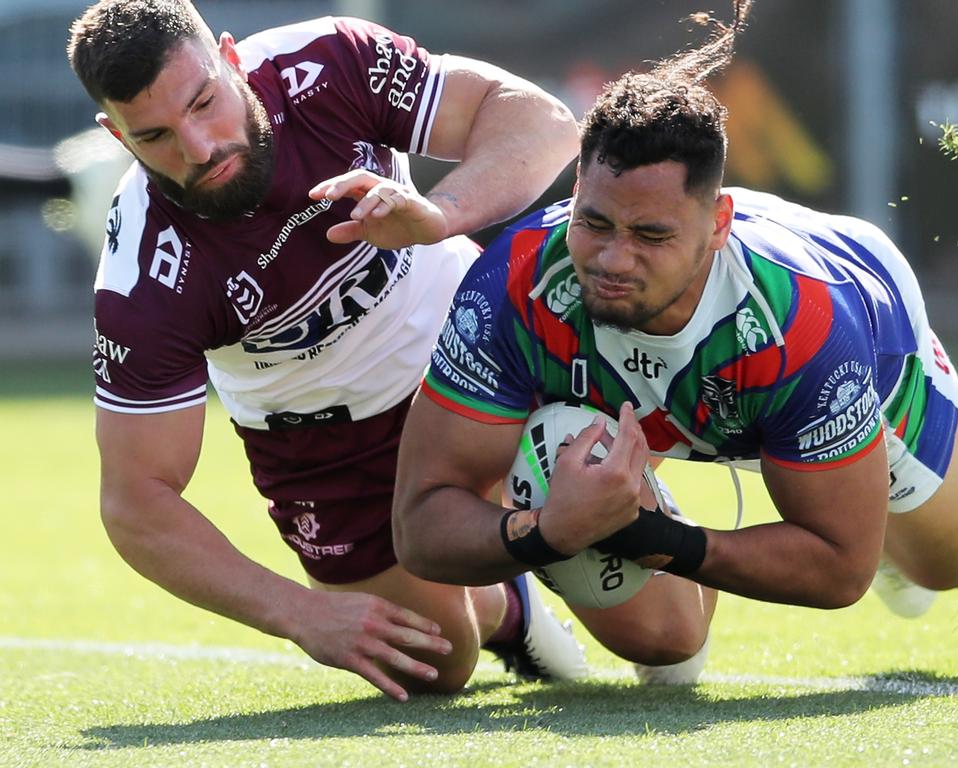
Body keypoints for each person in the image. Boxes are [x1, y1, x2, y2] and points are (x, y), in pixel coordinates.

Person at [392, 0, 958, 683]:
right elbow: (420, 527)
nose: (615, 259)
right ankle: (669, 590)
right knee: (658, 638)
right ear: (577, 190)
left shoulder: (806, 323)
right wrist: (549, 532)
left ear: (717, 224)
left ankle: (852, 474)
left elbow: (839, 570)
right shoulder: (513, 283)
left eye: (651, 236)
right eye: (595, 224)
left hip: (865, 357)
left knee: (950, 567)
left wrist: (666, 542)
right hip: (642, 402)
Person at [68, 0, 586, 702]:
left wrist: (441, 214)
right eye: (155, 135)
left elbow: (541, 122)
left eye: (204, 102)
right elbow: (134, 504)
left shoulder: (325, 63)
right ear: (115, 134)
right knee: (429, 663)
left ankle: (521, 514)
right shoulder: (143, 280)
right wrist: (298, 612)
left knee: (666, 636)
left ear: (229, 55)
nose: (197, 148)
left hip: (469, 342)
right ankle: (507, 604)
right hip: (328, 442)